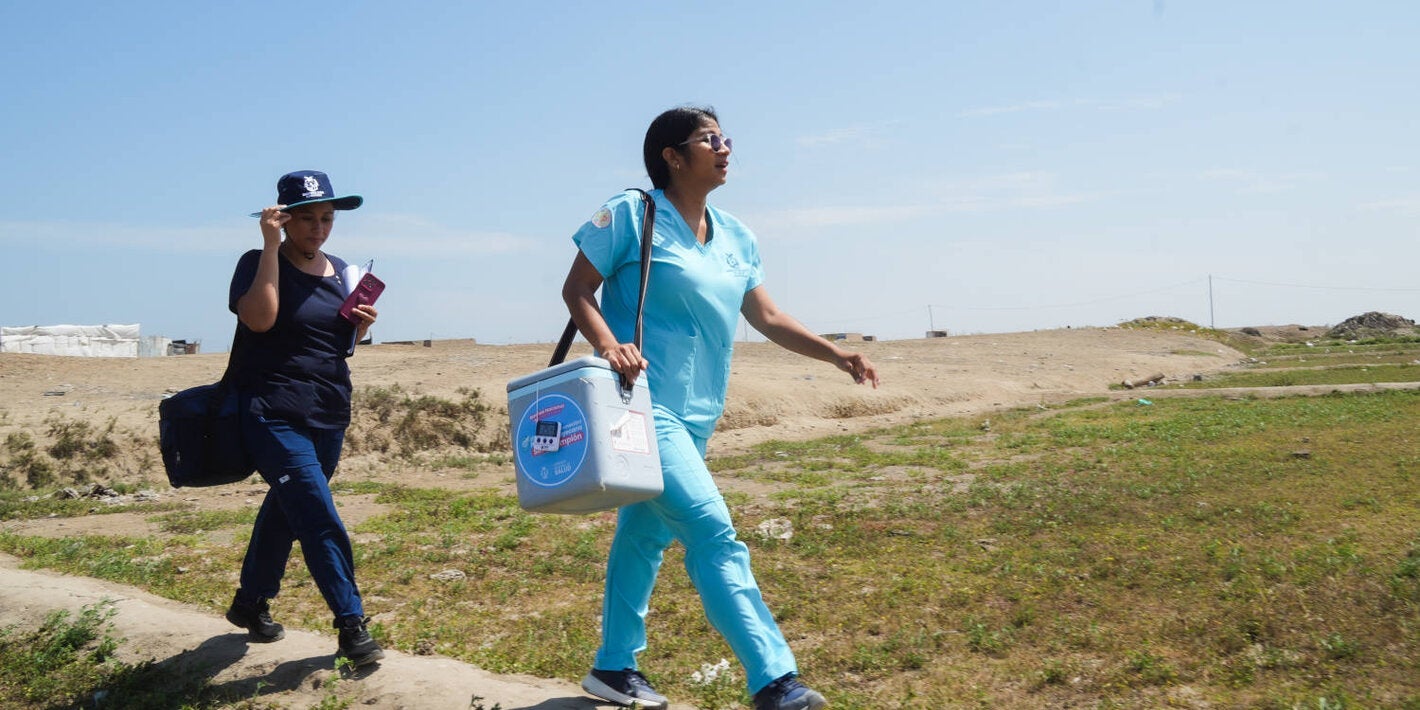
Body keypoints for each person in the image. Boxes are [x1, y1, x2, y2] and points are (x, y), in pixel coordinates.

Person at [563, 107, 879, 710]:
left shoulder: (736, 234)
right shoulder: (632, 213)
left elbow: (768, 317)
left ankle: (613, 665)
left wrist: (837, 354)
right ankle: (774, 680)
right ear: (672, 157)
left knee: (644, 536)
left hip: (699, 414)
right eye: (709, 139)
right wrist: (608, 345)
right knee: (713, 531)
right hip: (640, 405)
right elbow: (577, 288)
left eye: (725, 137)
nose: (724, 147)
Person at [222, 169, 385, 667]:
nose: (319, 228)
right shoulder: (257, 262)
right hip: (271, 412)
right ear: (284, 219)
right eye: (308, 218)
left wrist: (362, 327)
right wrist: (270, 247)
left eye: (327, 218)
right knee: (316, 513)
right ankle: (351, 623)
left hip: (328, 411)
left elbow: (339, 347)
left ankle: (251, 602)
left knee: (287, 508)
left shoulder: (343, 273)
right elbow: (260, 319)